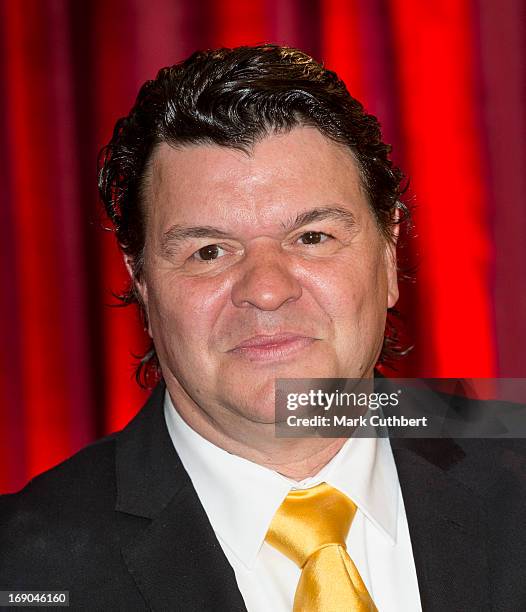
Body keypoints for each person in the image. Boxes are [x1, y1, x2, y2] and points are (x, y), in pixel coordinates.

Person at [0, 45, 524, 612]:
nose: (267, 289)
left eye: (312, 238)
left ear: (389, 255)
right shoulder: (24, 571)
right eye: (209, 251)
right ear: (144, 284)